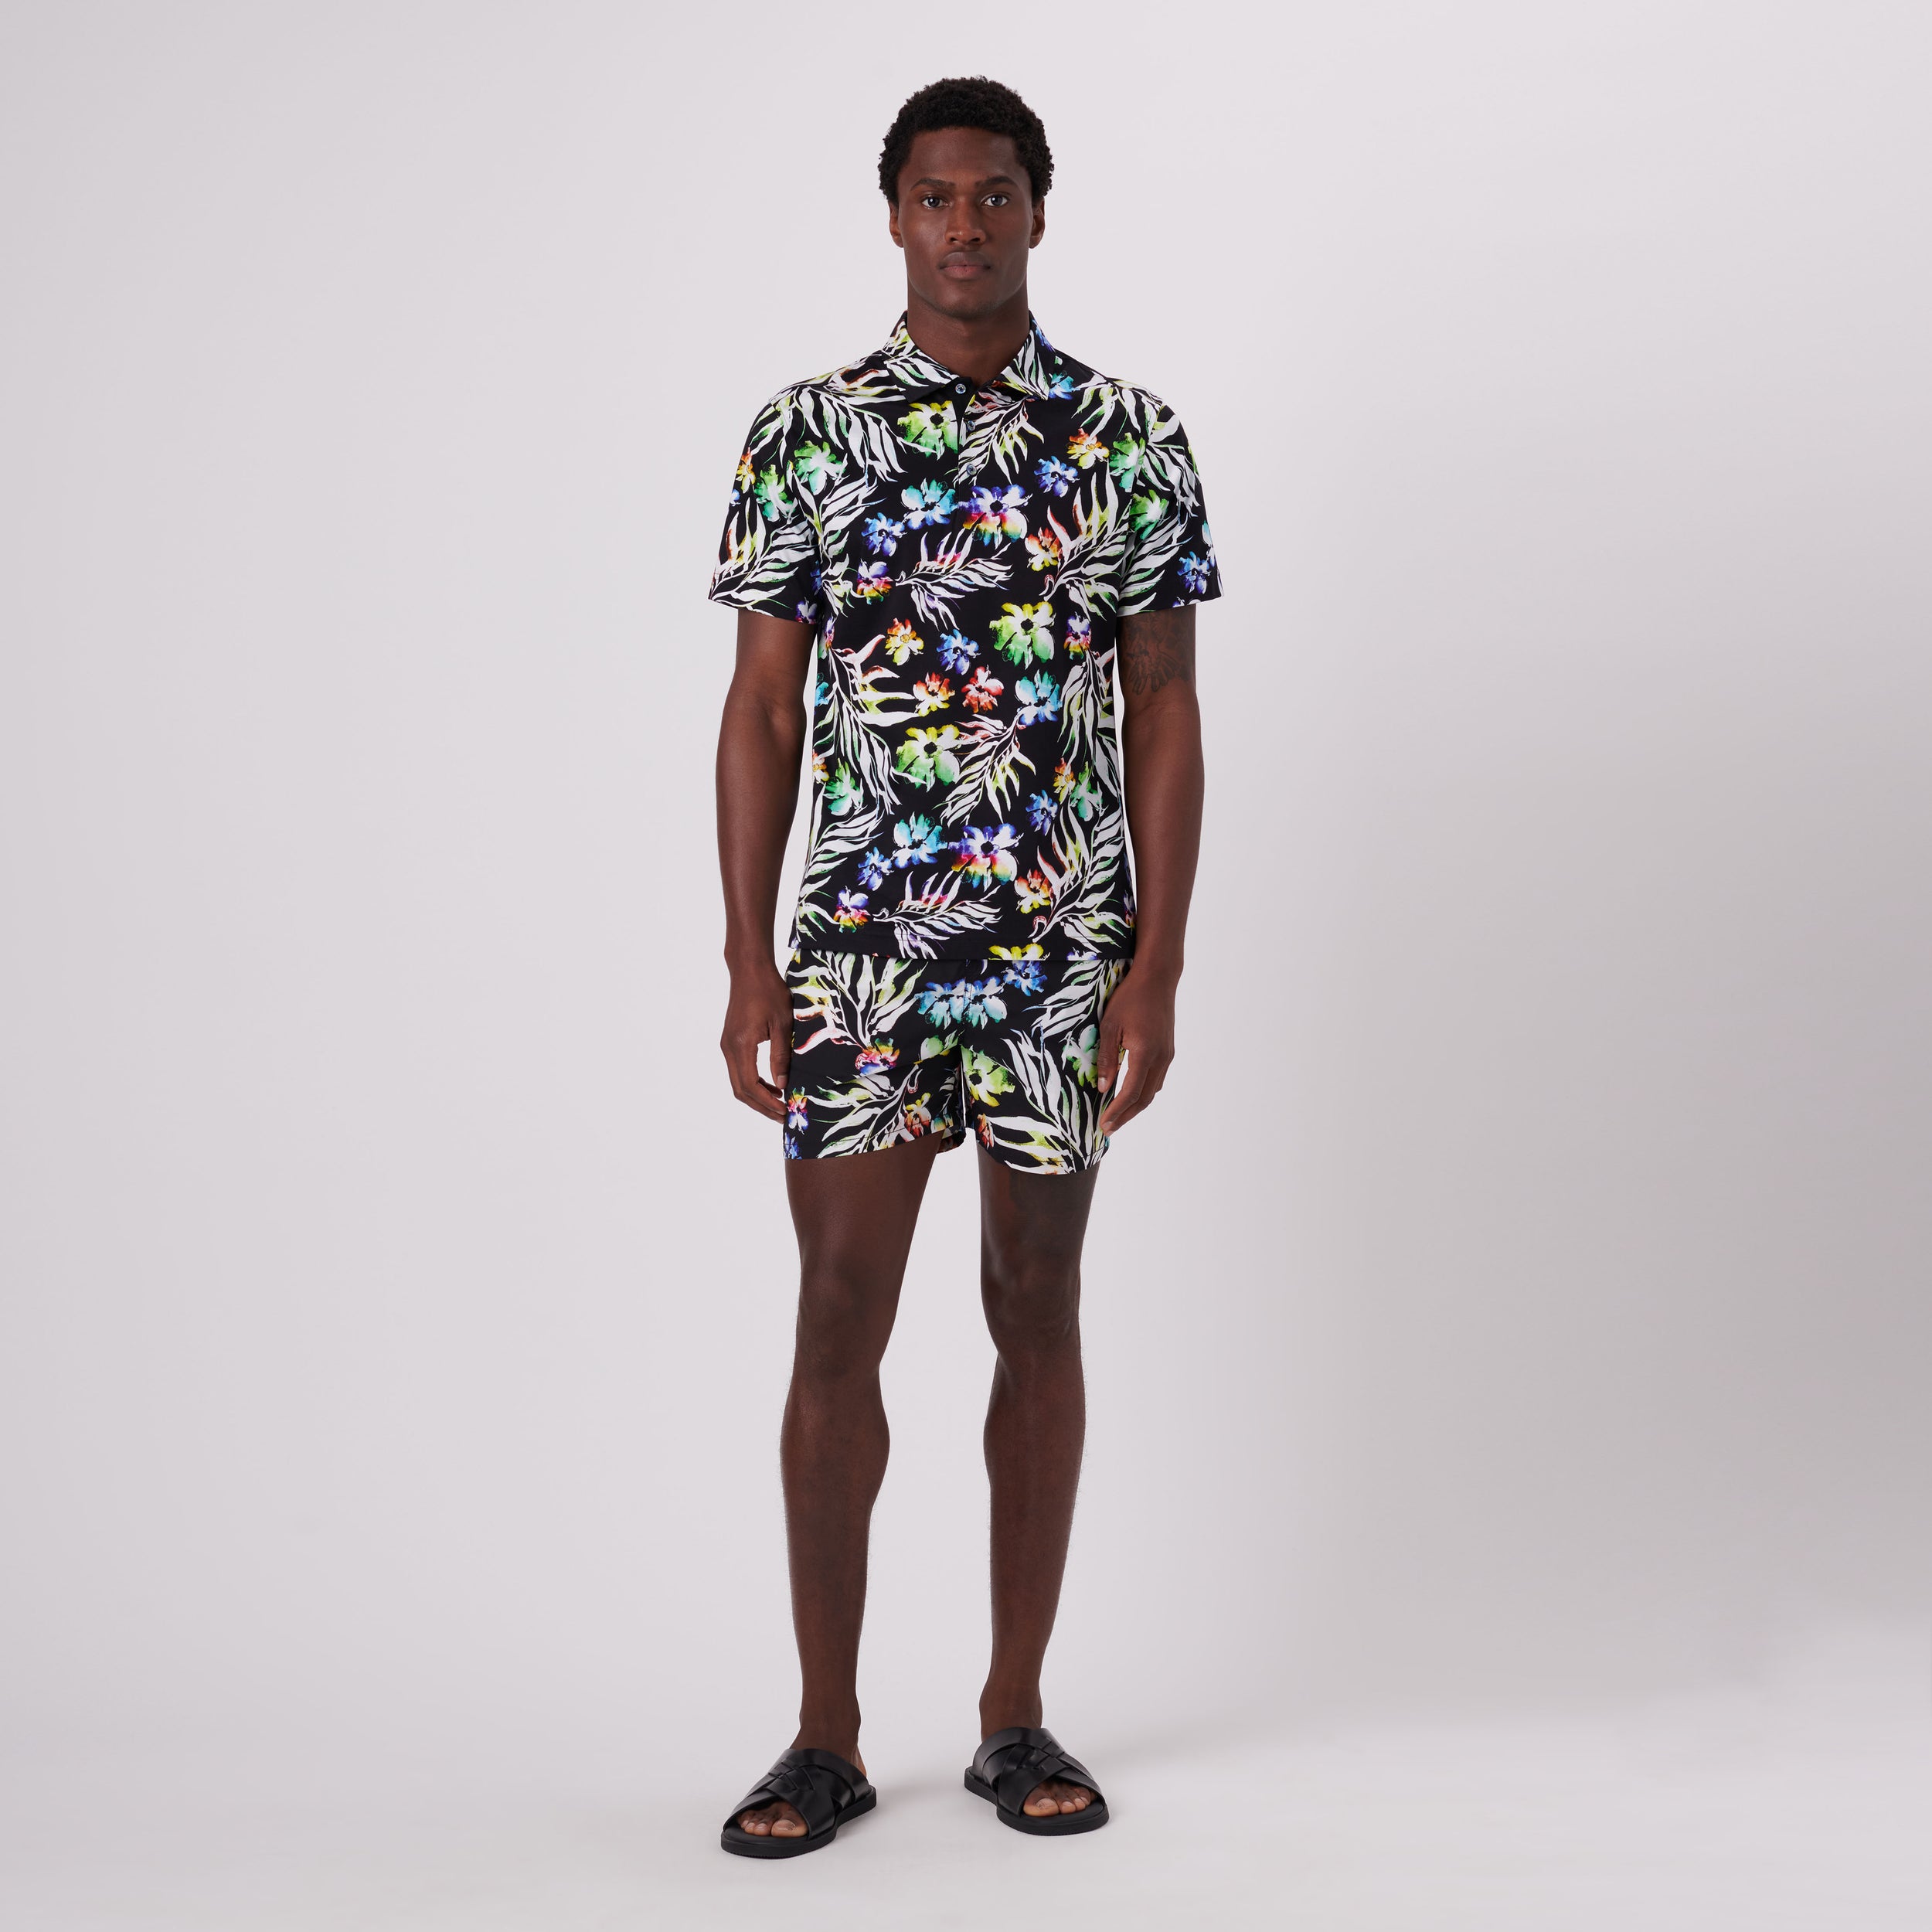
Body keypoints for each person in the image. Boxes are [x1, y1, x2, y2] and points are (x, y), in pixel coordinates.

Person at [709, 76, 1220, 1858]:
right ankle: (823, 1732)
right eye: (933, 196)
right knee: (836, 1311)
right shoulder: (807, 432)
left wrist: (1153, 963)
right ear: (892, 216)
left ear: (1036, 210)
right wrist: (747, 958)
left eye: (993, 194)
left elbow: (1165, 702)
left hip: (1055, 950)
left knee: (1036, 1302)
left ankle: (1013, 1710)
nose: (963, 225)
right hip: (860, 948)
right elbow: (760, 706)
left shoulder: (1126, 436)